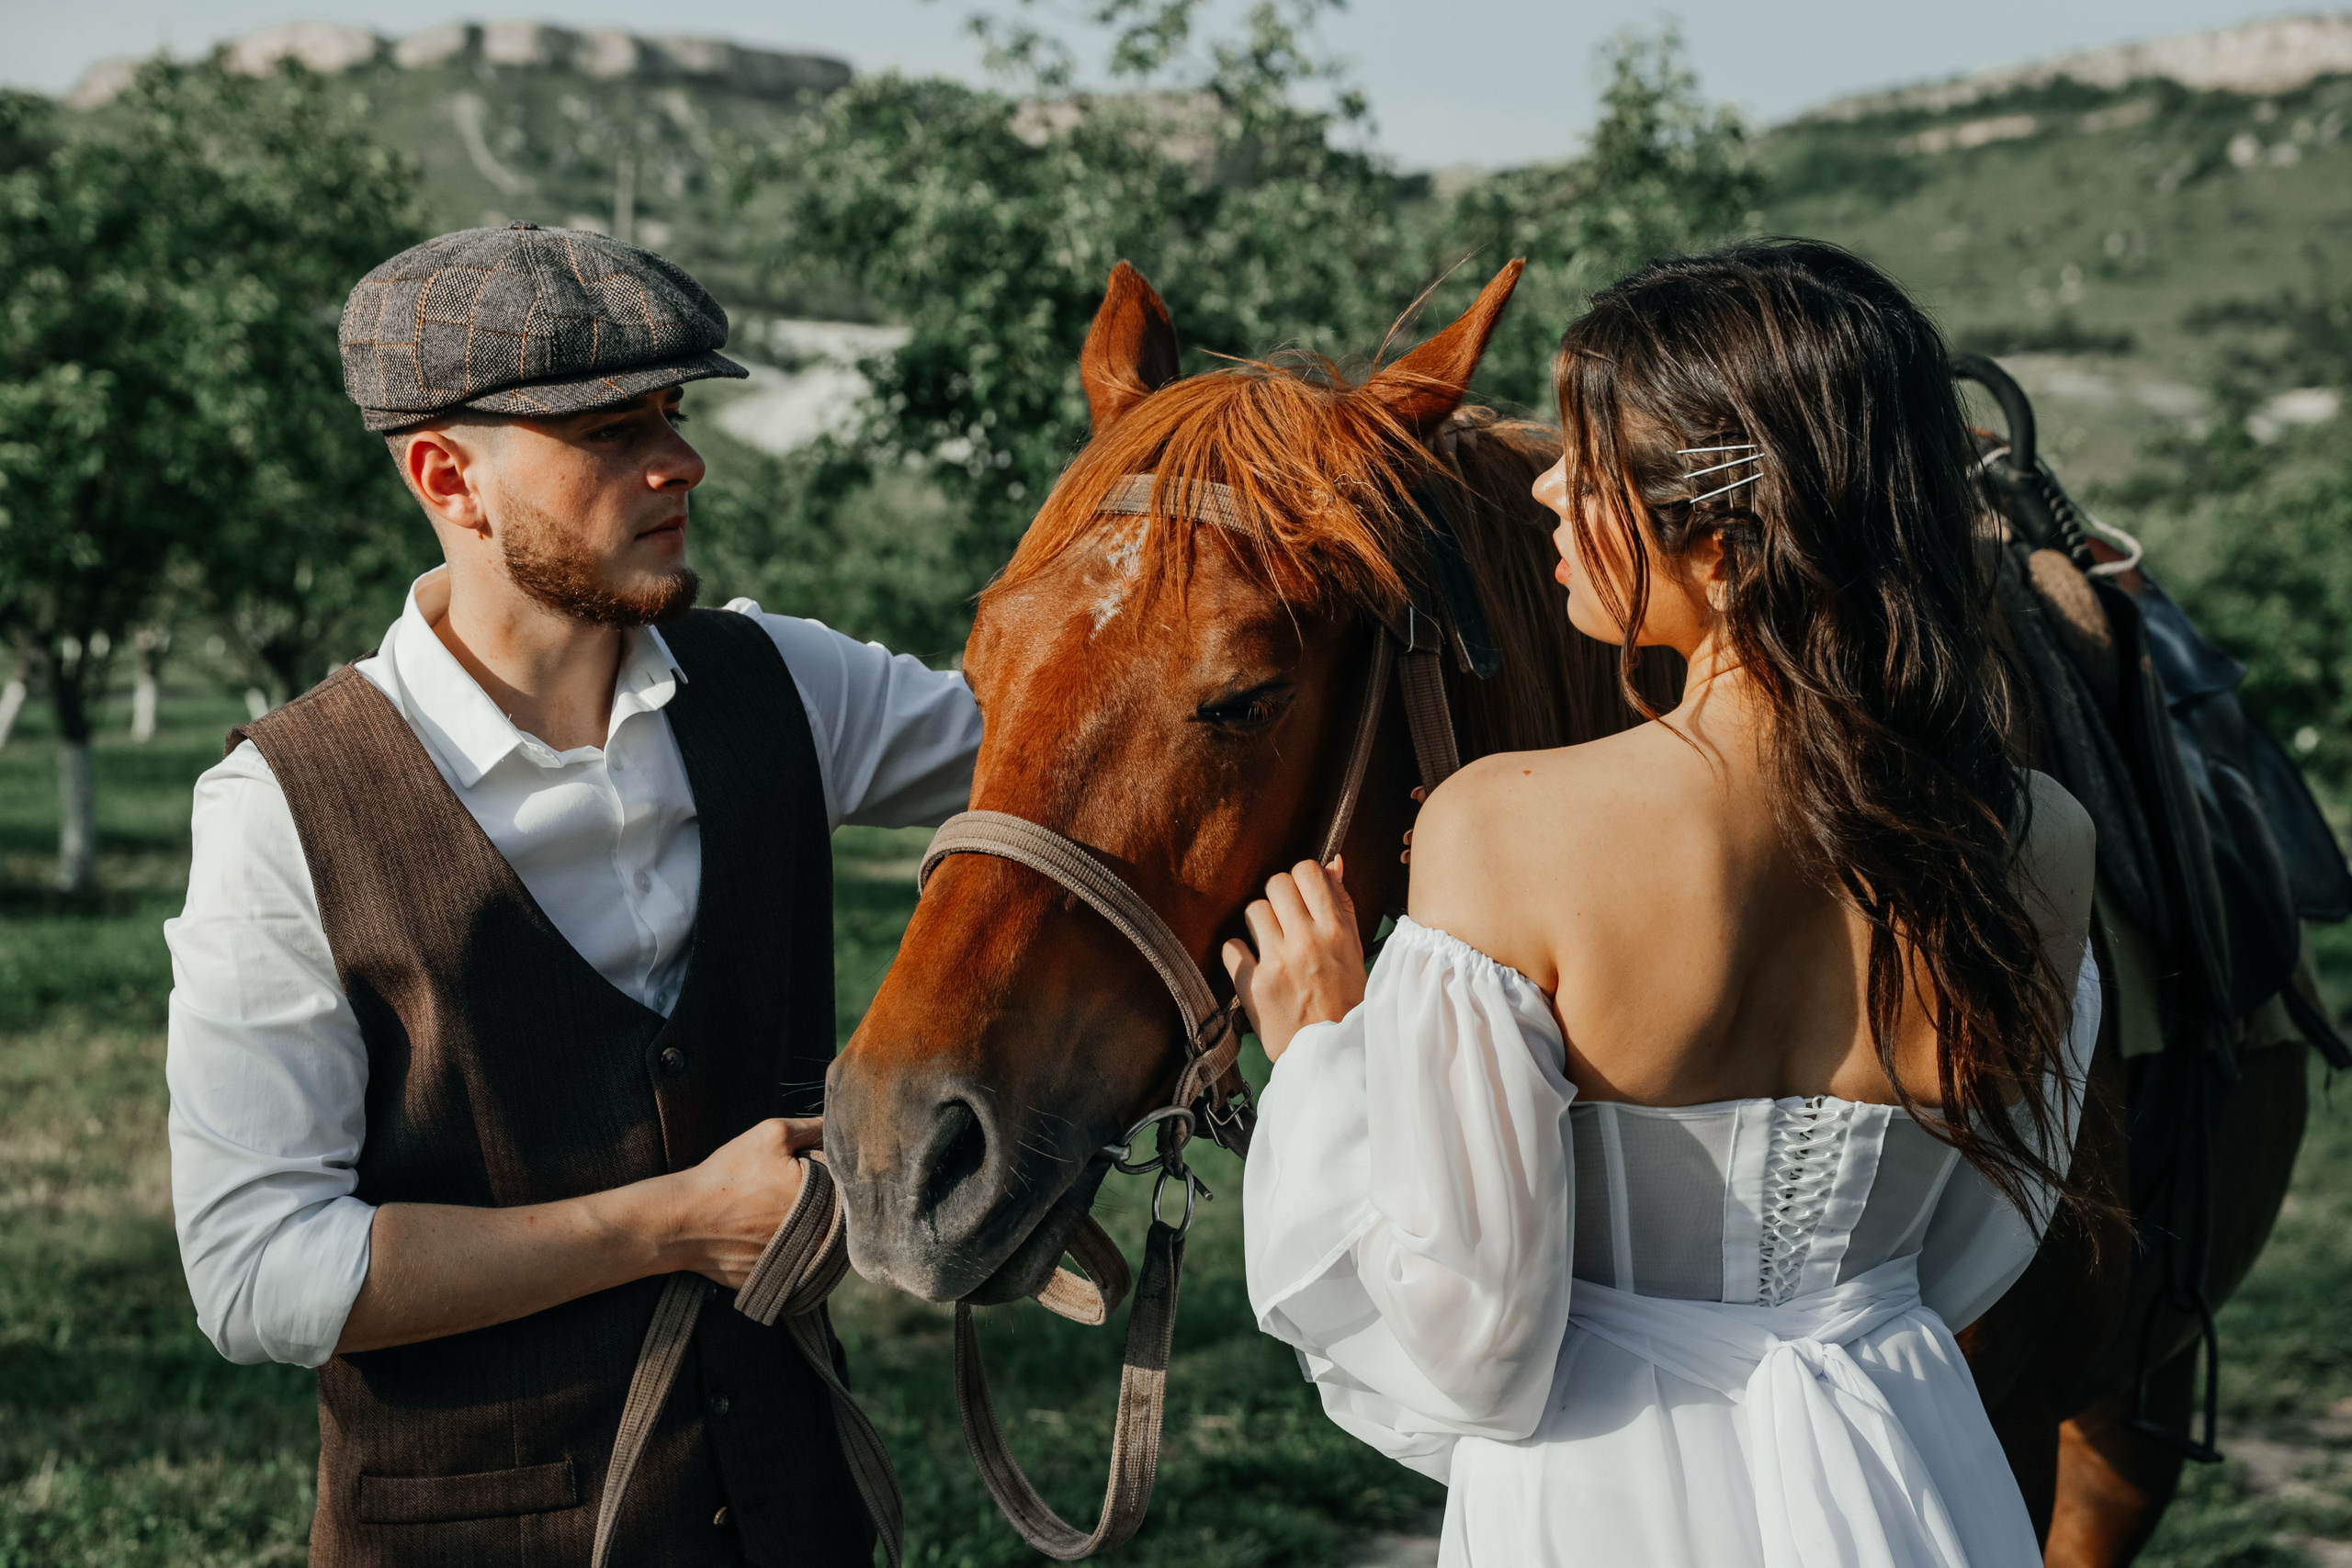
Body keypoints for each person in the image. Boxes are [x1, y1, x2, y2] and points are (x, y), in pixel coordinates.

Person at [1224, 241, 2098, 1567]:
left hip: (1602, 1493)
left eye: (1593, 459)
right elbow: (1977, 1243)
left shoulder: (1502, 827)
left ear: (1737, 537)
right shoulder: (2042, 838)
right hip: (1917, 1467)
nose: (1548, 487)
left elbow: (1467, 1348)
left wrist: (1327, 1057)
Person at [164, 223, 980, 1566]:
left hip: (792, 1519)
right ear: (447, 476)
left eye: (671, 412)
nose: (682, 461)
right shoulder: (285, 808)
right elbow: (258, 1274)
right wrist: (674, 1224)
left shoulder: (781, 684)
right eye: (609, 430)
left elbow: (1087, 763)